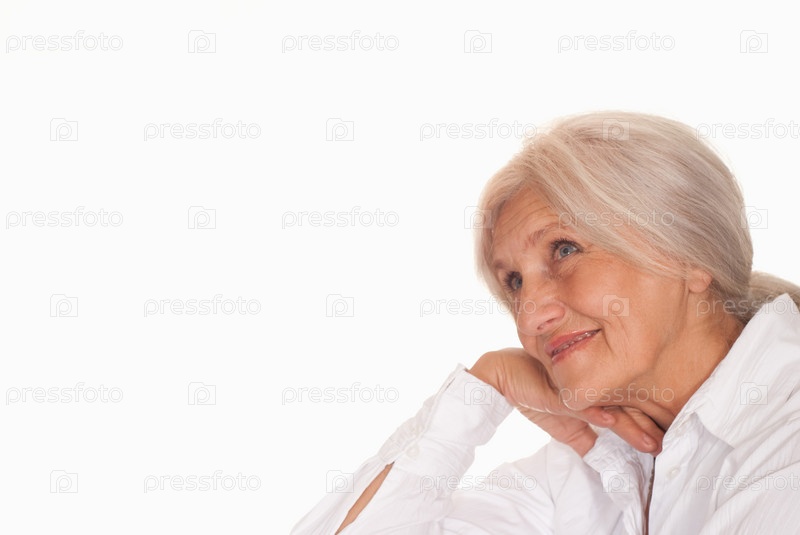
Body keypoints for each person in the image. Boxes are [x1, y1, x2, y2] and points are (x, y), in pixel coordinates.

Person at [291, 111, 800, 534]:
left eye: (565, 249)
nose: (530, 316)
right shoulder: (581, 471)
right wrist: (484, 388)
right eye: (514, 282)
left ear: (689, 254)